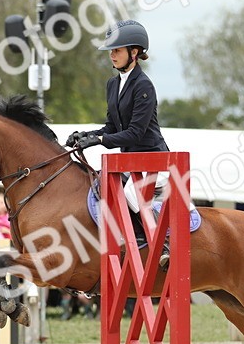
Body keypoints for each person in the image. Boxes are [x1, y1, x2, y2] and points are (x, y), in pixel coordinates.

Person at [65, 18, 171, 266]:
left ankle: (162, 246)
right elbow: (112, 127)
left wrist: (100, 140)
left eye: (117, 50)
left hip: (152, 159)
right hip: (130, 162)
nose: (112, 55)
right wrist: (86, 135)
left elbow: (134, 133)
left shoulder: (144, 85)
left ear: (134, 52)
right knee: (102, 189)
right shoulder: (113, 84)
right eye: (111, 51)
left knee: (132, 194)